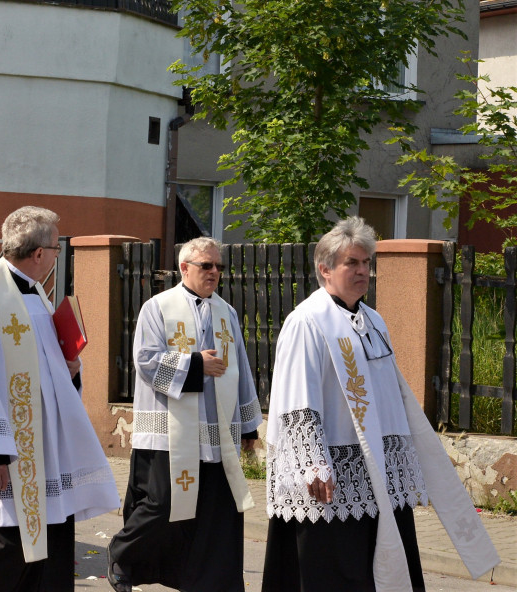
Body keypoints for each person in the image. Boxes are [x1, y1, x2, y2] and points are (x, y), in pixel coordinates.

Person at [263, 217, 500, 591]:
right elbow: (297, 397)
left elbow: (392, 393)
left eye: (366, 262)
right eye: (352, 263)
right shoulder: (306, 322)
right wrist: (313, 462)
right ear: (325, 270)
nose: (363, 271)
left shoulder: (373, 321)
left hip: (379, 472)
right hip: (333, 478)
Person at [0, 206, 119, 592]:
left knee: (43, 554)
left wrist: (70, 370)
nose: (56, 256)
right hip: (8, 456)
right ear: (38, 253)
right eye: (56, 249)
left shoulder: (36, 296)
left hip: (42, 452)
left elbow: (43, 369)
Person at [106, 237, 261, 592]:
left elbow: (239, 368)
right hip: (170, 433)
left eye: (219, 266)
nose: (215, 272)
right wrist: (195, 364)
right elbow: (145, 361)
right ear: (184, 268)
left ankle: (208, 584)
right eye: (207, 265)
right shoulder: (158, 307)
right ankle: (122, 553)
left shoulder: (226, 312)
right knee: (163, 506)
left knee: (215, 517)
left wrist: (249, 426)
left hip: (216, 433)